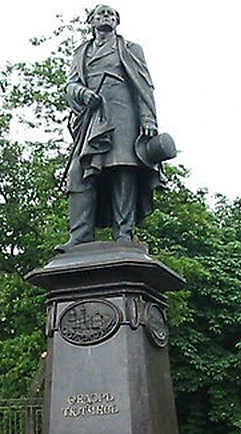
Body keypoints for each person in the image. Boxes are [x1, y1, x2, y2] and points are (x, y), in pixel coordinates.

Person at [58, 4, 175, 251]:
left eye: (111, 14)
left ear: (117, 22)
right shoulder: (81, 52)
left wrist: (148, 119)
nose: (107, 17)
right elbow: (70, 85)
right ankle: (80, 235)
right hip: (93, 116)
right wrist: (82, 92)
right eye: (101, 13)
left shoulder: (131, 49)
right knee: (78, 173)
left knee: (123, 168)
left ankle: (124, 233)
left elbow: (144, 86)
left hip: (123, 114)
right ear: (91, 21)